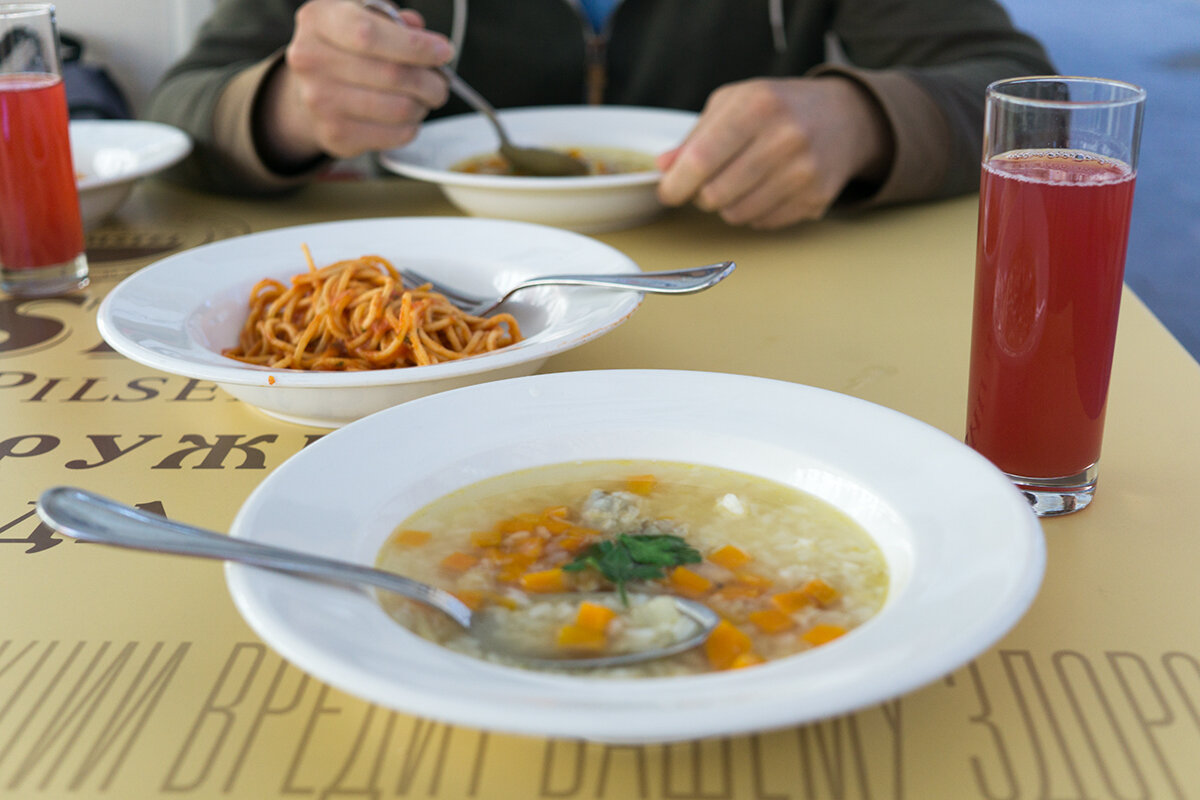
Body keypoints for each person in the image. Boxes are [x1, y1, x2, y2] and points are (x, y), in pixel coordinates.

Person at [145, 0, 1053, 230]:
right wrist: (287, 106)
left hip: (752, 281)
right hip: (439, 302)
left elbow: (1032, 106)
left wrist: (864, 120)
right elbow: (178, 112)